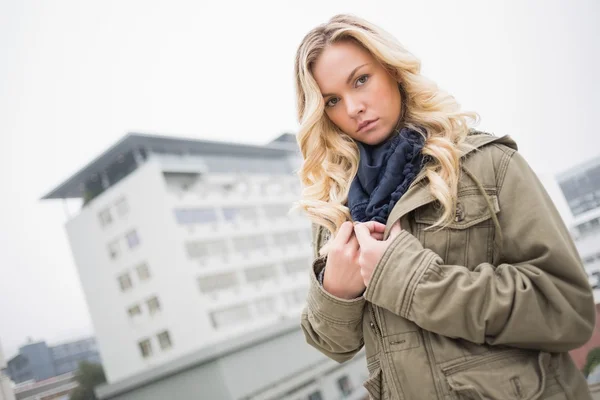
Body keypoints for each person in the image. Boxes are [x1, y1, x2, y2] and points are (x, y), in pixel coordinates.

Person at [293, 14, 596, 400]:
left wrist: (412, 279)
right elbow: (333, 345)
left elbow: (566, 309)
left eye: (361, 80)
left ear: (392, 71)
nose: (353, 107)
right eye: (332, 100)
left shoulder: (487, 164)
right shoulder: (336, 206)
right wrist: (336, 290)